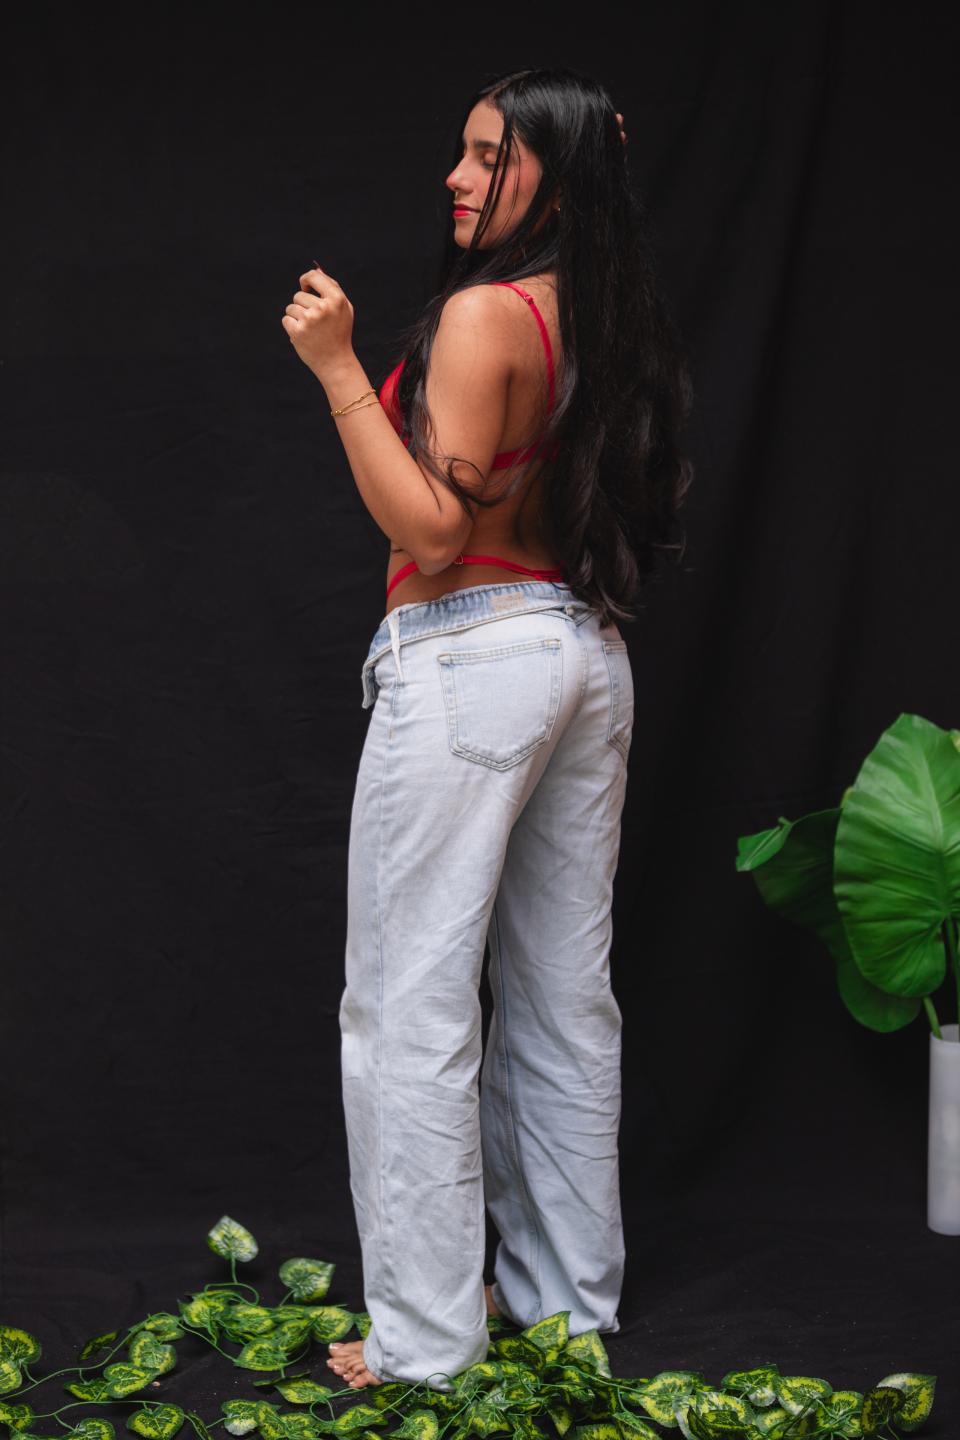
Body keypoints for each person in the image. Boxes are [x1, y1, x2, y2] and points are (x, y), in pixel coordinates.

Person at [281, 65, 694, 1393]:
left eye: (488, 157)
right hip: (583, 658)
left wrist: (339, 369)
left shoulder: (481, 317)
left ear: (556, 182)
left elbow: (434, 530)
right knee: (563, 1002)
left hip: (473, 659)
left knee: (406, 1006)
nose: (456, 179)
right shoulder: (603, 311)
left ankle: (423, 1345)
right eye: (461, 153)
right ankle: (566, 1305)